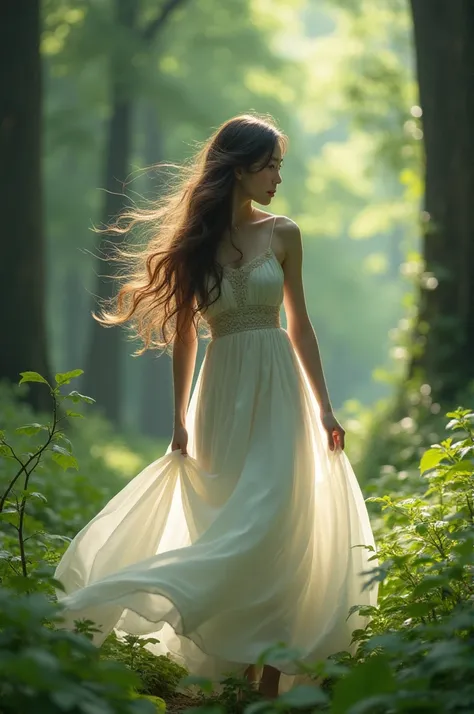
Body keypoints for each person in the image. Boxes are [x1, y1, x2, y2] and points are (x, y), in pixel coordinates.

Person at [55, 113, 377, 699]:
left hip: (280, 387)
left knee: (276, 519)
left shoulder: (284, 234)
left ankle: (270, 682)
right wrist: (178, 419)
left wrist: (325, 407)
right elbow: (184, 336)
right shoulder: (194, 244)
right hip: (221, 391)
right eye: (271, 163)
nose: (279, 175)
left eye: (281, 164)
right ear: (239, 166)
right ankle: (235, 661)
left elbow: (299, 324)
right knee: (232, 525)